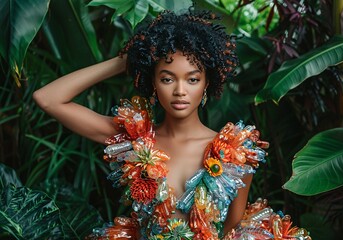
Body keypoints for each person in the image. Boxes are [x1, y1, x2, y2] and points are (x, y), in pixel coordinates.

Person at [33, 9, 311, 240]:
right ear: (153, 83)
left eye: (192, 79)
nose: (180, 90)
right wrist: (125, 61)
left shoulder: (234, 152)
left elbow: (232, 231)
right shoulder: (134, 141)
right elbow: (48, 99)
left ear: (206, 85)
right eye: (167, 78)